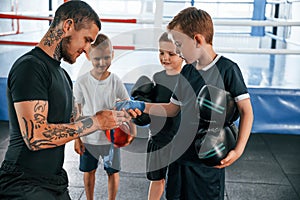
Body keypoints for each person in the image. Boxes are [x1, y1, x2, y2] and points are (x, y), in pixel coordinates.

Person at [115, 7, 254, 200]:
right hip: (178, 159)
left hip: (205, 165)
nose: (178, 51)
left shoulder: (228, 69)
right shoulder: (187, 72)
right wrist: (139, 105)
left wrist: (238, 150)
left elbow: (246, 111)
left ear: (197, 40)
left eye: (179, 44)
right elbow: (172, 109)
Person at [0, 2, 131, 200]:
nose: (88, 50)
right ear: (68, 25)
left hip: (54, 180)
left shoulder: (62, 74)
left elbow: (73, 120)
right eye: (87, 40)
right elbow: (35, 137)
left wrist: (117, 114)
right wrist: (96, 121)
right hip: (23, 182)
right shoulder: (30, 67)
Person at [73, 33, 135, 200]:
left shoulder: (115, 81)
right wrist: (76, 138)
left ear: (113, 55)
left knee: (112, 172)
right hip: (88, 138)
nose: (102, 63)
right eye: (97, 59)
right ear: (88, 56)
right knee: (88, 171)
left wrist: (131, 129)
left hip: (111, 139)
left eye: (107, 57)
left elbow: (126, 105)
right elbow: (76, 112)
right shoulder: (82, 82)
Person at [144, 32, 183, 200]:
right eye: (161, 53)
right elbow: (152, 108)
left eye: (171, 54)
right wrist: (140, 108)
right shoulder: (157, 78)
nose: (165, 58)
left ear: (183, 54)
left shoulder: (187, 79)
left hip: (179, 141)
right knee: (156, 179)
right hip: (158, 138)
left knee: (177, 185)